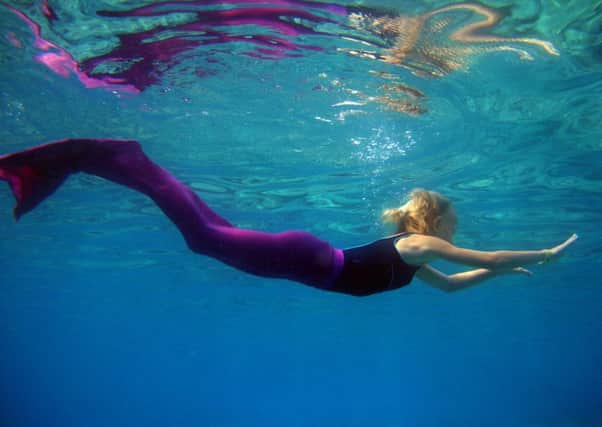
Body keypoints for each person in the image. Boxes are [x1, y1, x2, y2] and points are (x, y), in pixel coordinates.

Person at [0, 138, 577, 296]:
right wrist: (541, 255)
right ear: (437, 222)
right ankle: (123, 159)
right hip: (304, 258)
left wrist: (503, 273)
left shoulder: (416, 258)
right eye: (454, 222)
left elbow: (452, 287)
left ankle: (119, 163)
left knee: (208, 233)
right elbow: (491, 256)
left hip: (303, 260)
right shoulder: (417, 246)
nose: (458, 232)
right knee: (203, 238)